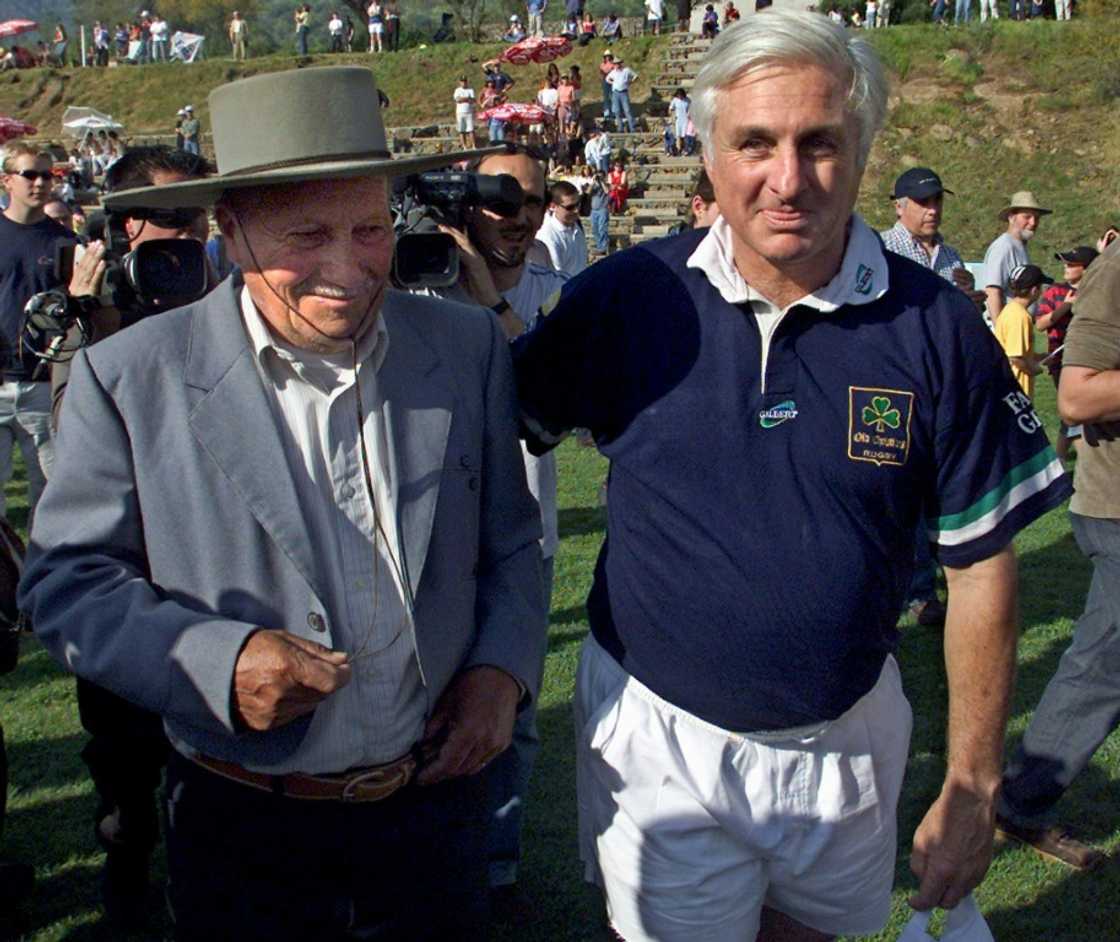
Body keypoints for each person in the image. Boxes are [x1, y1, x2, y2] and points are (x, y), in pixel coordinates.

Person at [512, 13, 1071, 941]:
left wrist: (971, 783)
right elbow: (492, 436)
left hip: (847, 735)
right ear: (708, 148)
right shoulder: (626, 299)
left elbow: (980, 567)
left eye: (820, 143)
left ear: (862, 148)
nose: (788, 178)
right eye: (755, 143)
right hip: (662, 739)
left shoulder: (937, 327)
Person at [20, 65, 547, 941]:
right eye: (308, 235)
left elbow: (510, 540)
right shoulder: (131, 377)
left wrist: (502, 672)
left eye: (370, 230)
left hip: (434, 818)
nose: (347, 270)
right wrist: (216, 662)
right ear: (230, 228)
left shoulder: (463, 349)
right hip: (243, 826)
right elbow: (66, 583)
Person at [53, 145, 214, 927]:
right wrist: (97, 330)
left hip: (217, 580)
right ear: (120, 230)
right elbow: (69, 459)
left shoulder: (226, 301)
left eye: (204, 217)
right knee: (125, 773)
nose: (193, 238)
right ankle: (126, 878)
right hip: (125, 590)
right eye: (175, 219)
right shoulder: (84, 311)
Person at [418, 146, 564, 918]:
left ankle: (497, 862)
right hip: (431, 533)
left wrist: (489, 304)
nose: (520, 218)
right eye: (502, 202)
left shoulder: (555, 287)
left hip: (522, 535)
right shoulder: (418, 276)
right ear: (465, 205)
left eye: (535, 202)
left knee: (517, 707)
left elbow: (546, 412)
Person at [995, 235, 1120, 873]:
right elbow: (1077, 397)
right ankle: (1020, 801)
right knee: (1105, 663)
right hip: (1118, 508)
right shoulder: (1116, 272)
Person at [879, 166, 981, 629]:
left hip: (941, 386)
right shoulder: (880, 250)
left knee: (938, 492)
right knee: (899, 496)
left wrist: (966, 299)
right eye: (923, 202)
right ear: (899, 206)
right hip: (894, 386)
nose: (932, 209)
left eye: (937, 200)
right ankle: (916, 592)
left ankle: (932, 585)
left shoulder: (951, 255)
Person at [0, 144, 76, 522]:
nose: (42, 182)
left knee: (50, 496)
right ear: (7, 180)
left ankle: (41, 574)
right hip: (0, 382)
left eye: (49, 175)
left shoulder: (65, 242)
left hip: (44, 382)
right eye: (31, 174)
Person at [1035, 245, 1098, 460]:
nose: (1066, 267)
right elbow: (1041, 324)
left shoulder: (1097, 291)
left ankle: (1063, 458)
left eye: (1072, 264)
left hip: (1093, 359)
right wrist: (1066, 306)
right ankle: (1068, 458)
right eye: (1066, 263)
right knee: (1072, 411)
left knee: (1084, 412)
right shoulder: (1055, 292)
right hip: (1061, 360)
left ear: (1086, 269)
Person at [981, 190, 1049, 329]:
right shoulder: (1004, 247)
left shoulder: (1019, 246)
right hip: (1006, 330)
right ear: (1012, 218)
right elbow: (993, 292)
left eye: (1037, 218)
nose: (1033, 222)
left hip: (1016, 327)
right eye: (1027, 217)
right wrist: (1001, 333)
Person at [995, 264, 1050, 400]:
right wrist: (1034, 370)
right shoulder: (1019, 317)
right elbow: (1016, 358)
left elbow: (1019, 352)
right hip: (1017, 390)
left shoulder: (1010, 310)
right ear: (1034, 290)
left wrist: (1040, 357)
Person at [538, 180, 588, 277]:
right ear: (553, 206)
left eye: (578, 204)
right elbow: (556, 277)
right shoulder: (548, 235)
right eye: (570, 207)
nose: (576, 210)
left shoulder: (576, 225)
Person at [606, 58, 638, 134]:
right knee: (617, 111)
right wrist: (612, 83)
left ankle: (632, 128)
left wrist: (631, 82)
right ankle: (620, 128)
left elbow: (635, 76)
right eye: (615, 64)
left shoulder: (626, 70)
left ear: (620, 63)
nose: (617, 65)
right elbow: (607, 79)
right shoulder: (613, 72)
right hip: (616, 93)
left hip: (624, 92)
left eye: (618, 63)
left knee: (627, 110)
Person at [454, 76, 476, 149]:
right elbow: (457, 100)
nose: (463, 83)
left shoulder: (470, 90)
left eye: (465, 81)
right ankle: (464, 146)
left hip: (469, 112)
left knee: (471, 130)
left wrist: (463, 99)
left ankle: (473, 146)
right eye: (462, 81)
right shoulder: (457, 90)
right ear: (460, 82)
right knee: (461, 130)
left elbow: (472, 100)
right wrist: (467, 98)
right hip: (460, 112)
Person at [669, 87, 690, 155]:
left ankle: (684, 148)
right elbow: (670, 109)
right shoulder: (675, 100)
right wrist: (672, 116)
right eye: (678, 95)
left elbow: (691, 108)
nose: (679, 96)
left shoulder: (687, 100)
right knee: (678, 135)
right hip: (678, 119)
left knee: (684, 135)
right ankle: (678, 148)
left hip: (685, 119)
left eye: (681, 95)